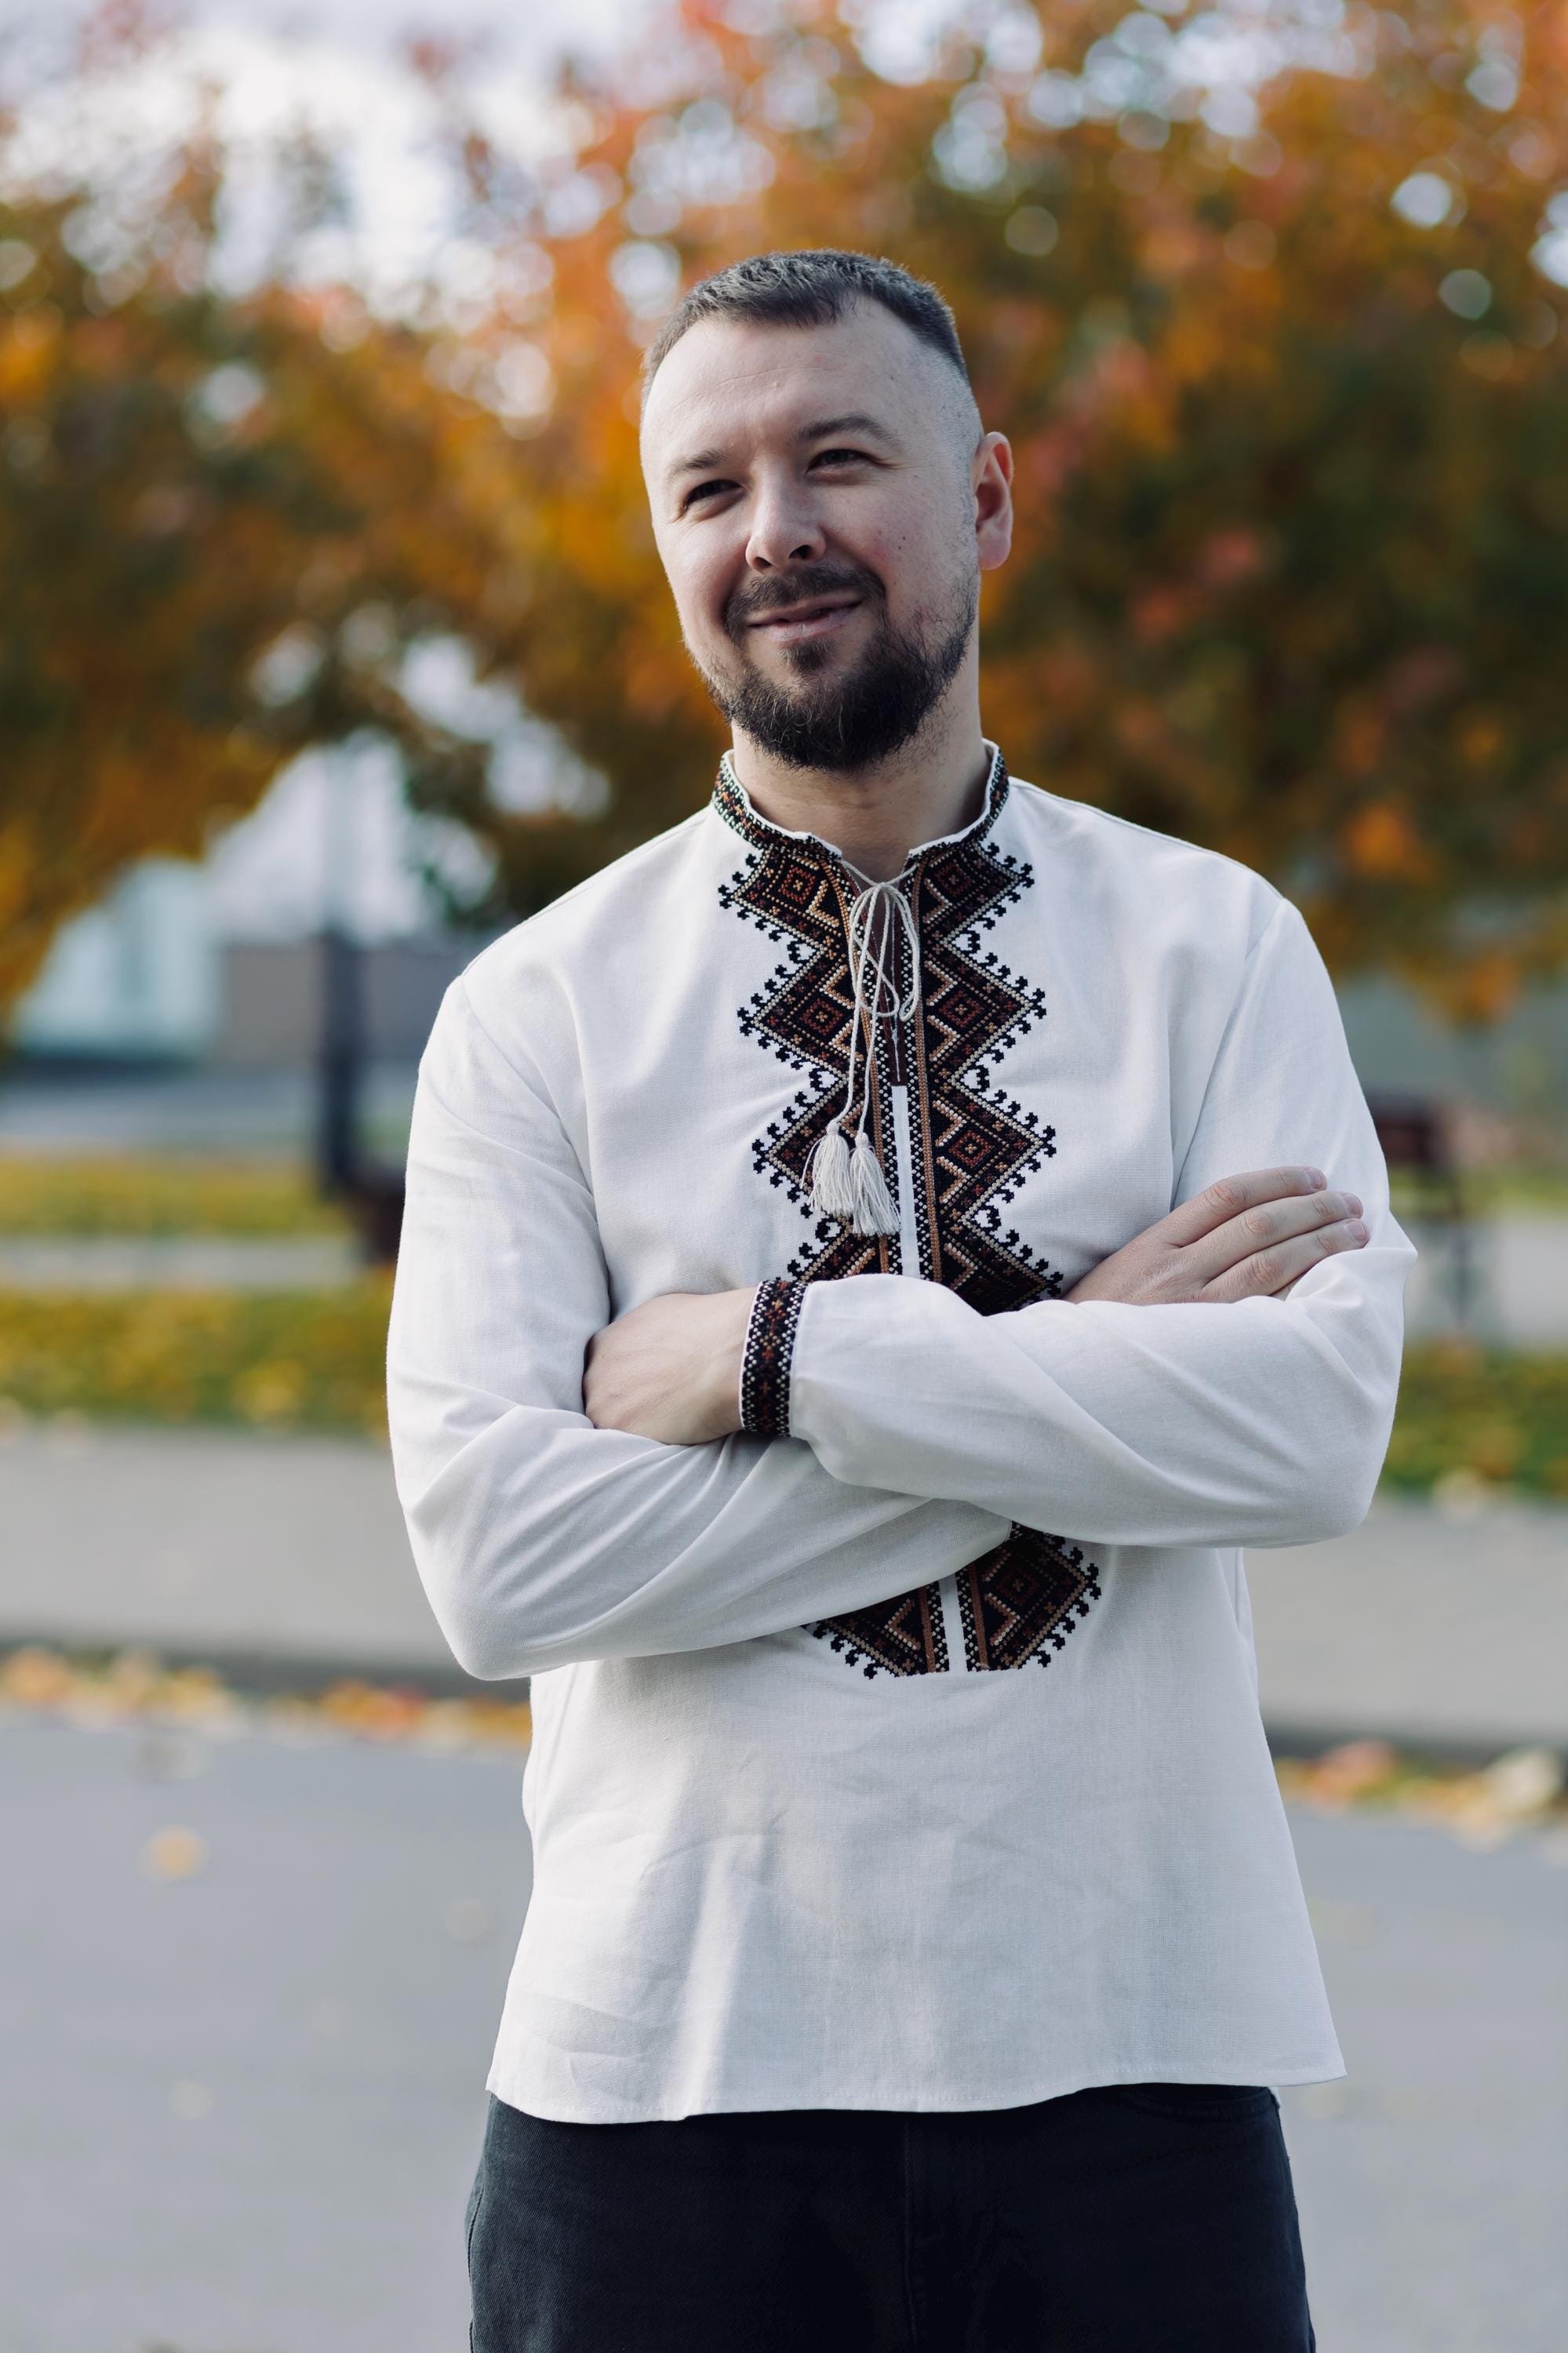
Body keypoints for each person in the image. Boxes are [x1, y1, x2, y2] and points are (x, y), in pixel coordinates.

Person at [386, 249, 1415, 2351]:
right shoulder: (536, 1014)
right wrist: (1089, 1379)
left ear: (989, 505)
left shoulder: (1218, 952)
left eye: (840, 457)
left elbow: (1311, 1436)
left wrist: (778, 1357)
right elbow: (498, 1563)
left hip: (1138, 2053)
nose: (775, 532)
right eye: (709, 487)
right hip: (661, 2075)